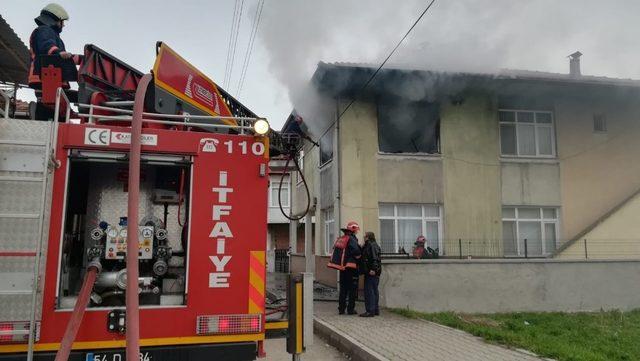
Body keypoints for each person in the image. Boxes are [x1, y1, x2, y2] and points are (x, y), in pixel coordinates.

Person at [28, 4, 80, 119]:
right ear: (55, 19)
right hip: (45, 77)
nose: (63, 25)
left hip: (50, 80)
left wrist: (80, 59)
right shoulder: (44, 30)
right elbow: (46, 46)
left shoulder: (52, 35)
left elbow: (63, 56)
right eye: (62, 22)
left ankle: (66, 111)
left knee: (58, 102)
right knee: (49, 106)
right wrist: (58, 52)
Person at [327, 221, 362, 315]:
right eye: (356, 230)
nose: (357, 232)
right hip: (351, 269)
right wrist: (360, 257)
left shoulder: (342, 238)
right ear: (353, 230)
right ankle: (350, 309)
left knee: (343, 289)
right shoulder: (352, 239)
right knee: (352, 290)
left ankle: (341, 309)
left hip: (343, 268)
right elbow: (356, 251)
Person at [360, 231, 381, 317]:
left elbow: (374, 258)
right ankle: (375, 310)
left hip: (371, 272)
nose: (363, 237)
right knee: (374, 291)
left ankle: (370, 311)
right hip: (373, 272)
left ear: (368, 237)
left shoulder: (371, 245)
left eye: (365, 236)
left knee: (370, 292)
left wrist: (373, 269)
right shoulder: (372, 245)